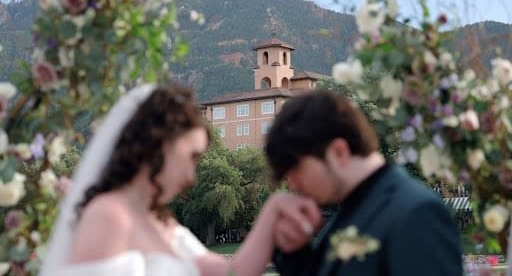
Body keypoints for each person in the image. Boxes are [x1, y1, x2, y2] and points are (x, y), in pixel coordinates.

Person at [39, 83, 322, 276]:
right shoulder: (108, 215)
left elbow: (233, 272)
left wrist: (274, 209)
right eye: (192, 157)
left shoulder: (163, 223)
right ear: (159, 145)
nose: (192, 177)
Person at [265, 90, 463, 276]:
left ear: (338, 152)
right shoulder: (343, 213)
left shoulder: (417, 214)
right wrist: (295, 256)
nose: (293, 185)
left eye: (296, 170)